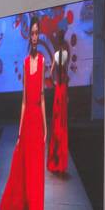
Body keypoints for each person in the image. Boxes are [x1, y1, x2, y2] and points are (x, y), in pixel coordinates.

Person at [0, 15, 47, 210]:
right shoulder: (26, 62)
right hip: (27, 122)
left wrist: (46, 127)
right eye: (32, 33)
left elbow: (41, 97)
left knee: (36, 181)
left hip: (38, 121)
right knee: (24, 176)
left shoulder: (43, 61)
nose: (35, 36)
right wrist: (19, 132)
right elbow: (25, 100)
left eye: (38, 33)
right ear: (29, 36)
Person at [47, 28, 69, 174]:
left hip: (59, 87)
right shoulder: (64, 52)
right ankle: (59, 159)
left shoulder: (57, 53)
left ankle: (56, 158)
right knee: (60, 119)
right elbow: (64, 70)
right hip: (62, 87)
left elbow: (51, 72)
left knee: (57, 119)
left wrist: (55, 81)